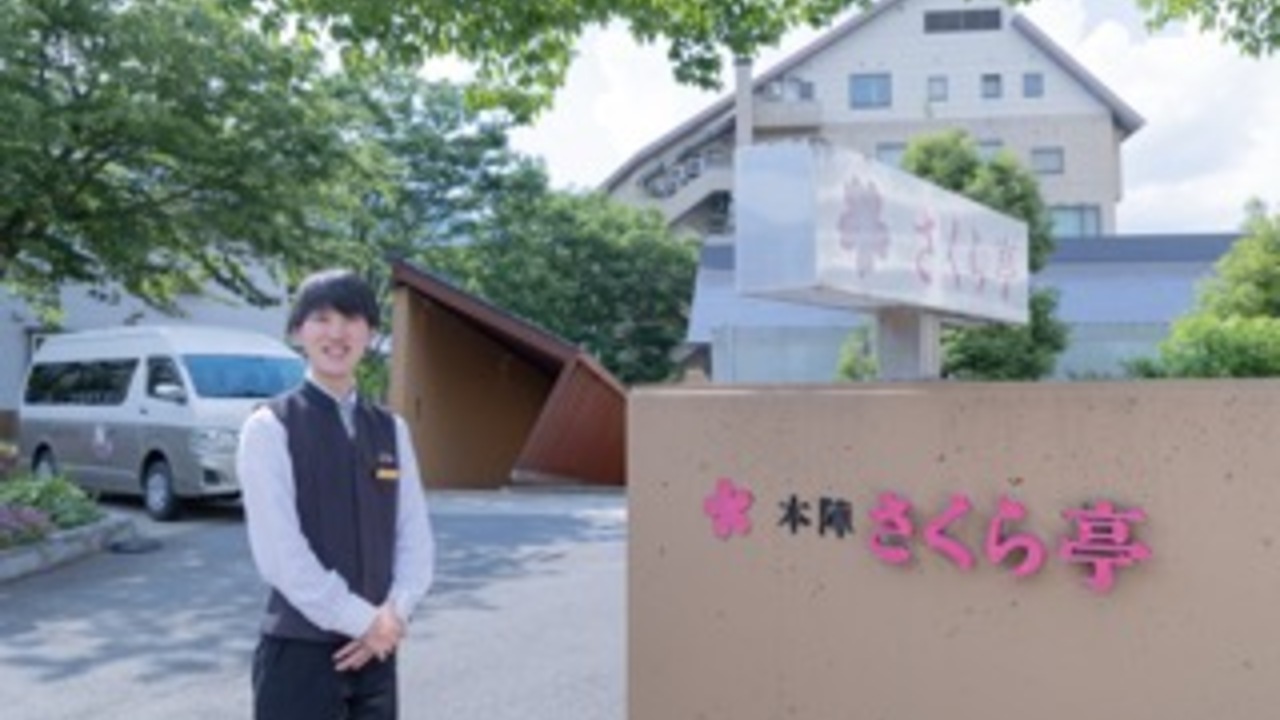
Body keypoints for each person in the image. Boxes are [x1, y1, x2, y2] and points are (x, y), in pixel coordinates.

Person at [236, 269, 434, 720]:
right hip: (300, 654)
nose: (337, 333)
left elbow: (414, 537)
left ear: (372, 333)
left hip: (377, 654)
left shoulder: (391, 428)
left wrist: (392, 616)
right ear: (297, 330)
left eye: (351, 318)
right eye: (321, 319)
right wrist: (366, 621)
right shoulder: (269, 426)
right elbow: (280, 555)